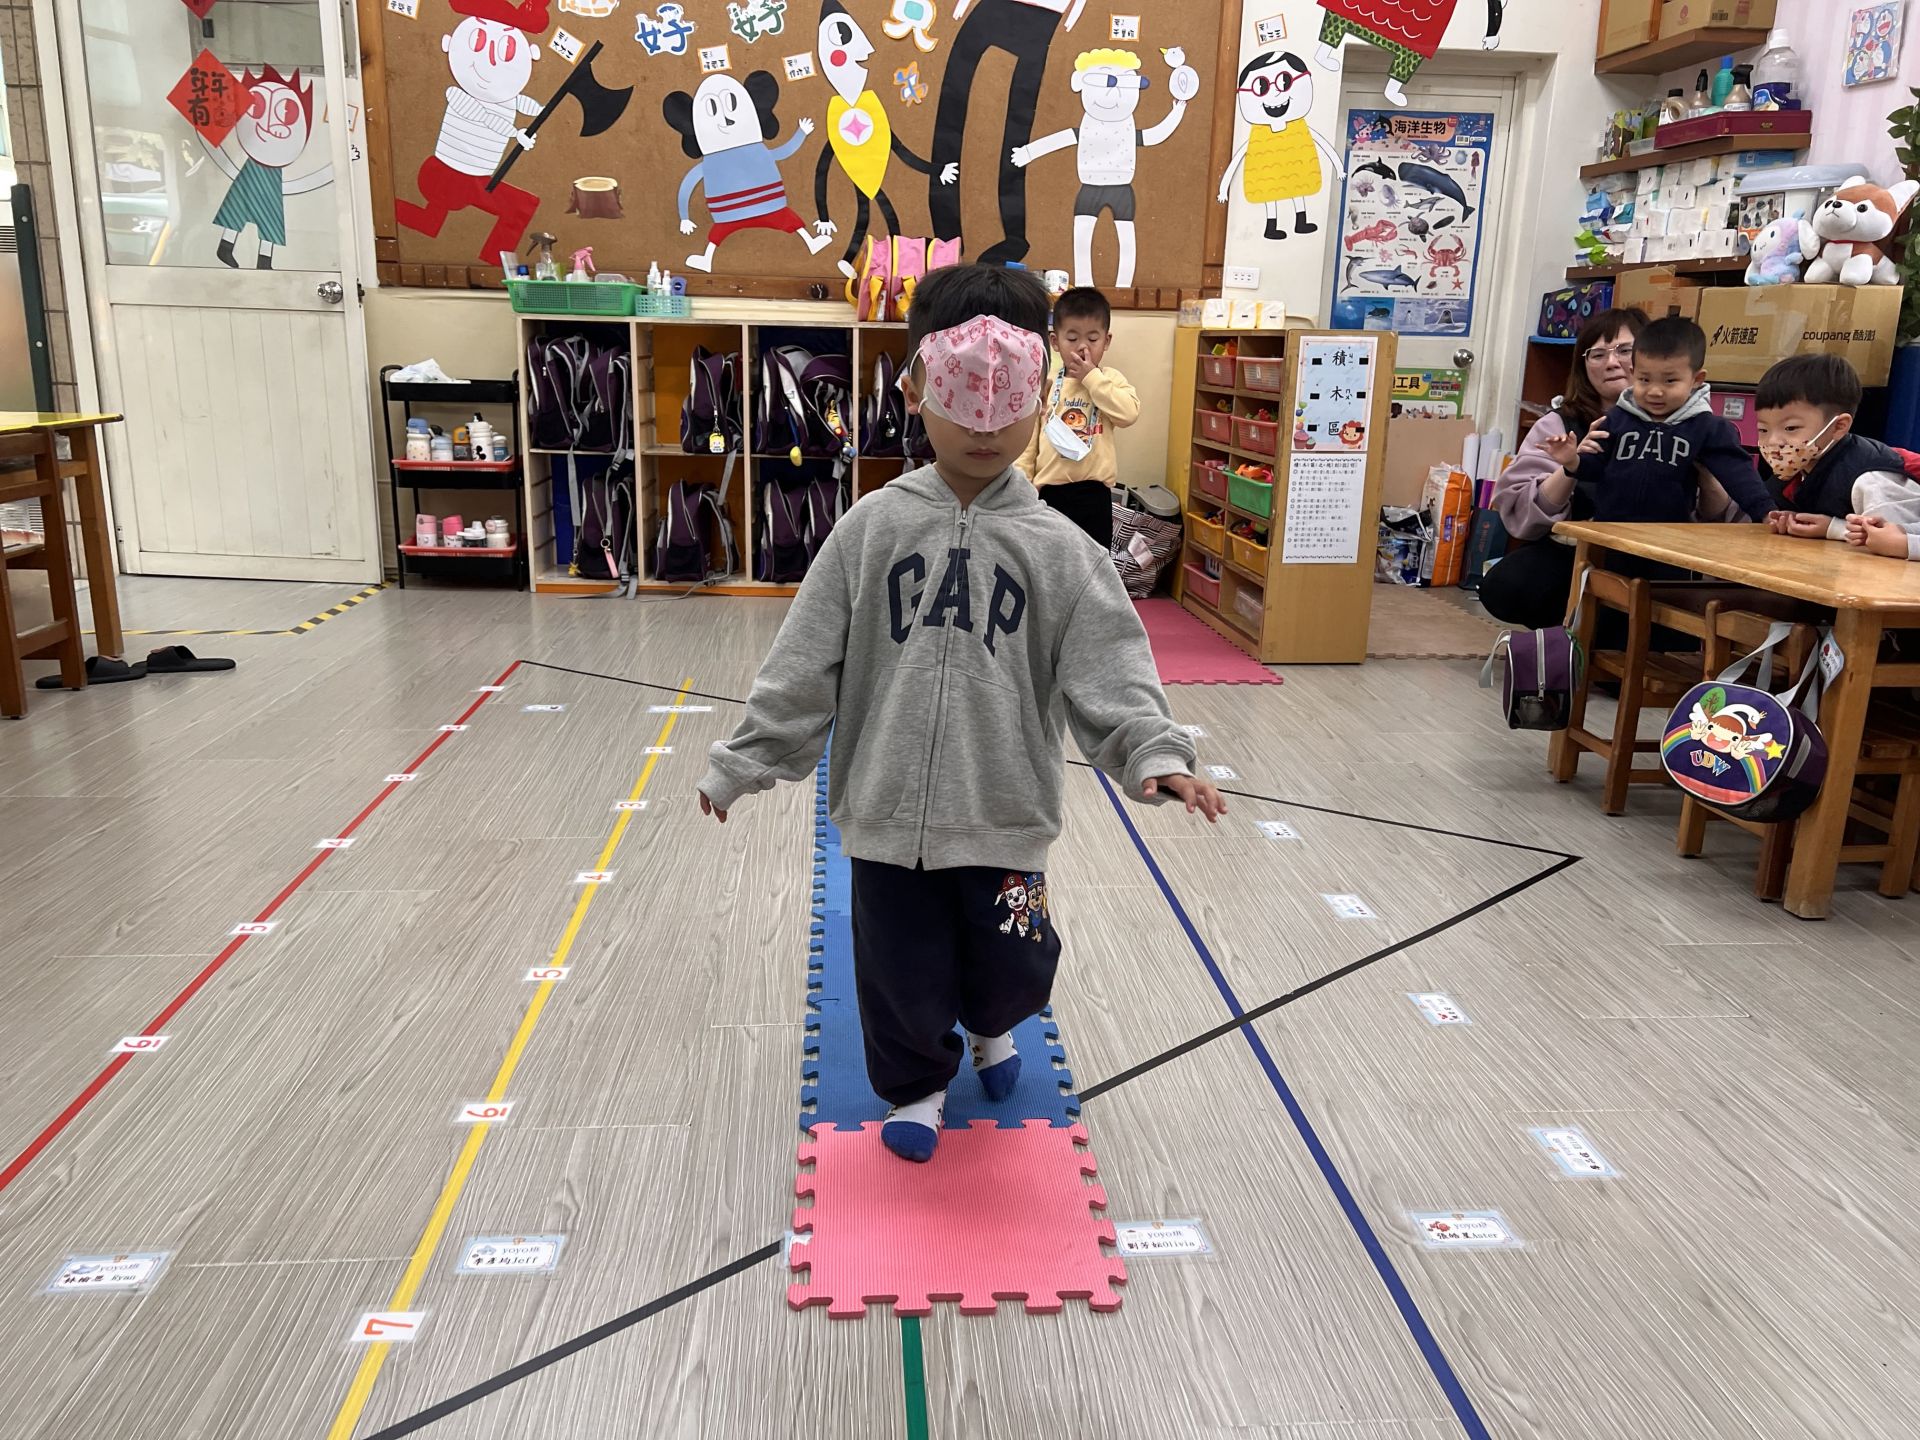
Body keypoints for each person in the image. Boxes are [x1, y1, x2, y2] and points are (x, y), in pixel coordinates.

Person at [696, 264, 1223, 1164]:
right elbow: (803, 661)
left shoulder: (1061, 549)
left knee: (1014, 964)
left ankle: (991, 1025)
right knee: (899, 974)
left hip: (1006, 816)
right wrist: (744, 760)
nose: (983, 425)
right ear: (916, 389)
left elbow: (1113, 668)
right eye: (960, 393)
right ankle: (919, 1085)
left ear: (1040, 394)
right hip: (884, 815)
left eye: (1006, 397)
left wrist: (1154, 752)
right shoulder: (871, 529)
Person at [1481, 308, 1645, 633]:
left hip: (1654, 557)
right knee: (1507, 585)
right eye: (1598, 354)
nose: (1612, 362)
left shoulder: (1685, 425)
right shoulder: (1559, 424)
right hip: (1577, 556)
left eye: (1625, 350)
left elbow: (1718, 511)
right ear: (1583, 367)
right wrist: (1571, 466)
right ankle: (1577, 639)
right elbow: (1520, 517)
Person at [1540, 316, 1771, 526]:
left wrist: (1766, 511)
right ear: (1633, 372)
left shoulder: (1707, 428)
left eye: (1669, 381)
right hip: (1609, 531)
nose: (1655, 391)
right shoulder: (1616, 418)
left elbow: (1738, 473)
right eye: (1644, 380)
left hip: (1667, 538)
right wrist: (1572, 461)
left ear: (1696, 379)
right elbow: (1594, 468)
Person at [1757, 354, 1920, 561]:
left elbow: (1892, 541)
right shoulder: (1795, 471)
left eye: (1790, 428)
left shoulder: (1871, 481)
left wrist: (1833, 528)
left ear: (1838, 427)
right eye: (1763, 430)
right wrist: (1795, 520)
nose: (1773, 441)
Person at [1015, 286, 1141, 551]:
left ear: (1106, 341)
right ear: (1055, 341)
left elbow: (1128, 413)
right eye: (1072, 338)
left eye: (1093, 339)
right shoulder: (1047, 383)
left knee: (1094, 565)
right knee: (1048, 563)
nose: (1083, 347)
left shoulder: (1109, 380)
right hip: (1049, 494)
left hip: (1094, 494)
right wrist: (1023, 484)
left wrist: (1091, 378)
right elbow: (1028, 441)